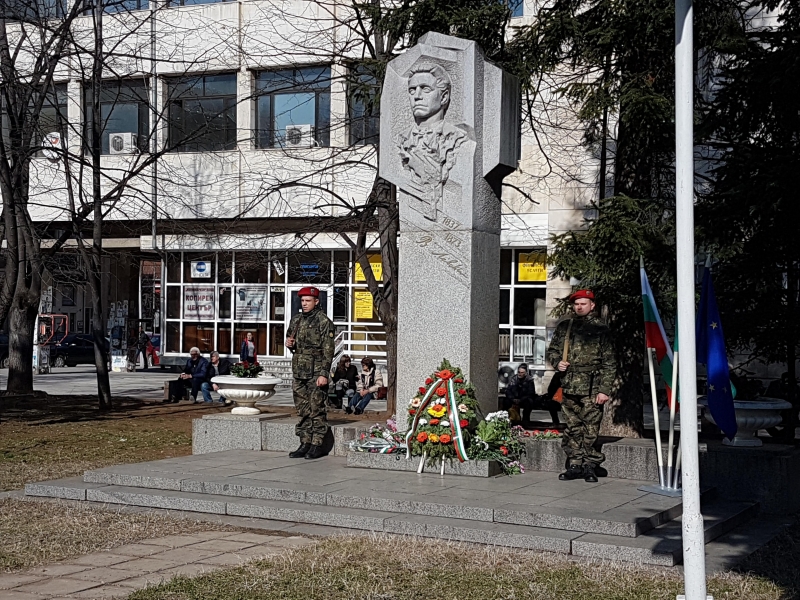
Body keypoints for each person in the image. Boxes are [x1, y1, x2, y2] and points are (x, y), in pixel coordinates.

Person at [546, 290, 615, 483]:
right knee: (572, 427)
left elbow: (609, 363)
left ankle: (589, 465)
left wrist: (604, 390)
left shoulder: (601, 329)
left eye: (583, 304)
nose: (579, 307)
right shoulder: (565, 327)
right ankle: (575, 464)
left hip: (592, 387)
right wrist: (557, 362)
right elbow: (553, 351)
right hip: (569, 385)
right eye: (576, 304)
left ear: (592, 305)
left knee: (590, 429)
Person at [285, 287, 335, 460]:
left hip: (316, 371)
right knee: (302, 409)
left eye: (308, 301)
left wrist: (324, 373)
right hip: (299, 371)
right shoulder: (296, 320)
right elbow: (291, 341)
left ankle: (317, 444)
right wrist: (289, 344)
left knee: (316, 409)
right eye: (302, 300)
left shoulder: (323, 321)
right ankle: (305, 442)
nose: (304, 304)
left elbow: (328, 350)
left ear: (316, 301)